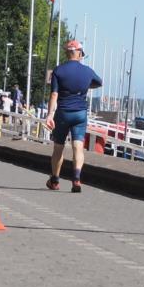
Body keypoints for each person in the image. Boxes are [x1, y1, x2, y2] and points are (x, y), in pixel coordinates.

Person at [44, 39, 102, 193]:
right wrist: (86, 85)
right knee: (78, 147)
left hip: (63, 113)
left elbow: (54, 94)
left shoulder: (59, 70)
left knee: (58, 148)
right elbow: (99, 82)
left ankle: (55, 180)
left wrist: (50, 115)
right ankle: (76, 178)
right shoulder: (88, 71)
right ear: (79, 53)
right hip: (80, 114)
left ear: (67, 53)